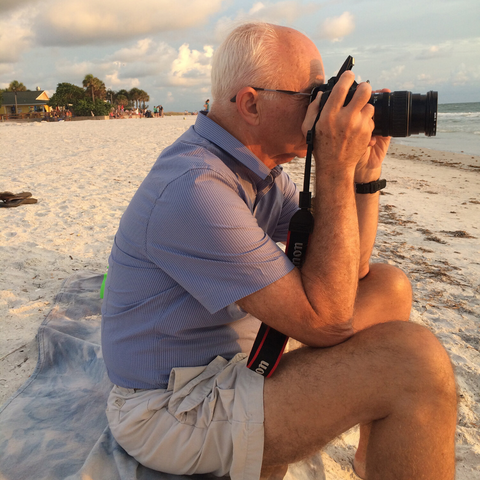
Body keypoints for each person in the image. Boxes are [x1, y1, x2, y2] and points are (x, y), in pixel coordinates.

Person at [101, 22, 457, 480]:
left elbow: (356, 267)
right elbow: (328, 321)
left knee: (388, 287)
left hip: (236, 364)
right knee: (414, 364)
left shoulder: (255, 168)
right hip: (173, 408)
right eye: (314, 96)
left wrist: (363, 175)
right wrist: (332, 166)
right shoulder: (195, 188)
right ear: (251, 103)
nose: (325, 110)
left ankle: (378, 457)